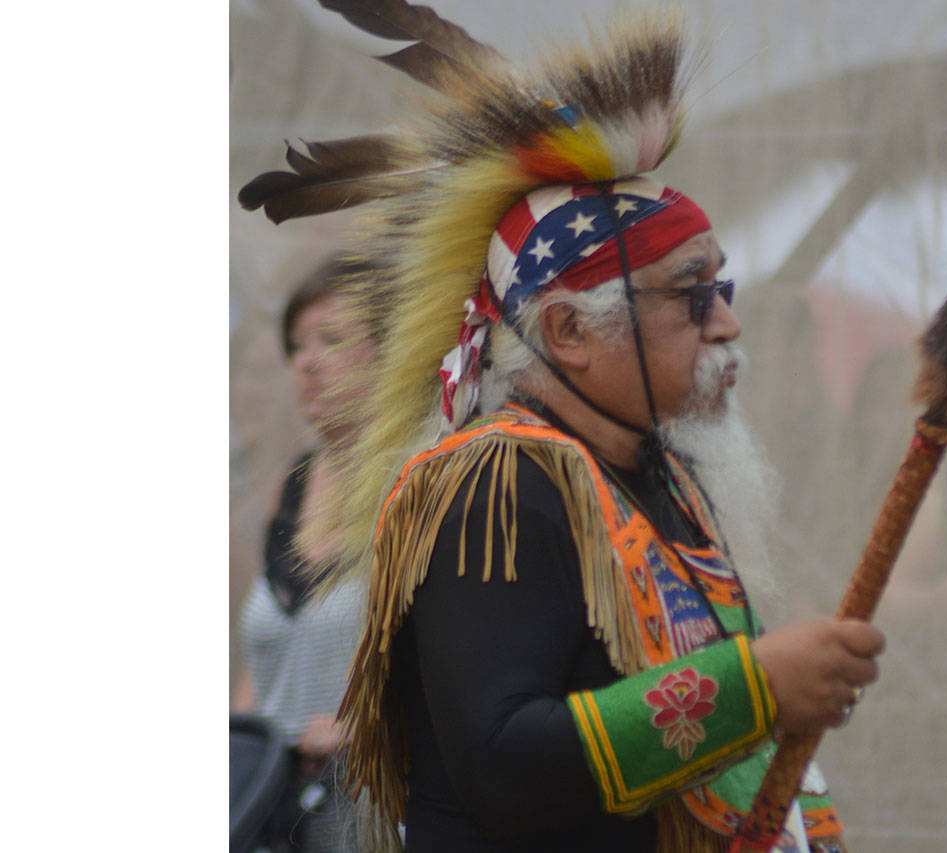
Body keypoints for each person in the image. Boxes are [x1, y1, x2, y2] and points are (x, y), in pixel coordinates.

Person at [241, 11, 883, 852]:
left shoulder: (658, 474)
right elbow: (503, 762)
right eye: (692, 293)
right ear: (571, 332)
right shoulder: (491, 484)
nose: (725, 325)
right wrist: (753, 686)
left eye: (724, 291)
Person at [232, 255, 378, 852]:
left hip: (372, 813)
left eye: (332, 339)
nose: (306, 362)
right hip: (272, 814)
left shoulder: (421, 483)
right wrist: (238, 741)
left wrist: (379, 728)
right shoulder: (289, 486)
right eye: (297, 346)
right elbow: (266, 654)